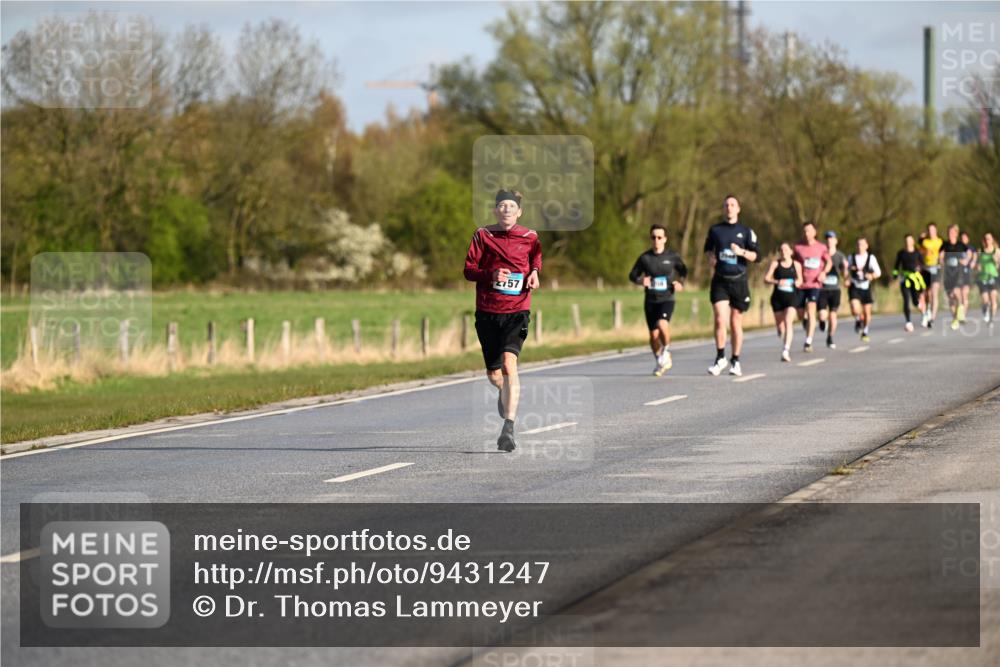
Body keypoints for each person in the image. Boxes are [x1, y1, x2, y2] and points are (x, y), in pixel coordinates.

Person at [463, 189, 541, 452]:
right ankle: (502, 391)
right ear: (495, 210)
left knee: (510, 364)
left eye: (511, 206)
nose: (506, 209)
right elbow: (469, 270)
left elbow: (536, 259)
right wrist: (492, 275)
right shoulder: (483, 235)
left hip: (517, 311)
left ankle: (508, 427)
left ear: (519, 212)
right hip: (487, 312)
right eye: (501, 205)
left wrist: (534, 273)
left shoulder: (530, 237)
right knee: (494, 373)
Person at [704, 194, 759, 377]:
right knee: (720, 318)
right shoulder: (715, 230)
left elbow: (756, 256)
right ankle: (720, 357)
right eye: (726, 205)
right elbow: (708, 250)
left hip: (739, 281)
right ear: (723, 208)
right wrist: (710, 258)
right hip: (720, 280)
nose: (729, 207)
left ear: (738, 209)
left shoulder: (746, 231)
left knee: (735, 322)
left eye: (733, 204)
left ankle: (735, 360)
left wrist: (741, 251)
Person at [629, 224, 687, 376]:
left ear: (665, 239)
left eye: (659, 237)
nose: (656, 240)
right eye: (653, 237)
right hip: (650, 300)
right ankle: (659, 360)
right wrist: (641, 281)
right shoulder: (645, 258)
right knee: (653, 336)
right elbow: (632, 275)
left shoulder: (672, 257)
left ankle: (666, 351)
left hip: (667, 298)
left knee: (662, 324)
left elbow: (684, 271)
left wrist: (680, 283)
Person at [793, 221, 832, 352]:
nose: (806, 233)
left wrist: (824, 273)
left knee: (811, 309)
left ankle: (808, 341)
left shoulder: (821, 247)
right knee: (800, 314)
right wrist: (797, 276)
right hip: (801, 284)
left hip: (815, 284)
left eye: (809, 230)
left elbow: (829, 262)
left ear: (814, 232)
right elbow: (795, 263)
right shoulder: (798, 247)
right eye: (804, 231)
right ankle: (806, 322)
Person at [764, 242, 803, 362]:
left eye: (786, 250)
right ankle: (781, 332)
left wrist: (798, 282)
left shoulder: (796, 265)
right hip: (777, 299)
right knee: (781, 328)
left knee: (788, 322)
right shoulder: (776, 264)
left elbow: (800, 279)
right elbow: (766, 279)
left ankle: (786, 350)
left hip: (792, 298)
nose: (783, 252)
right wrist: (777, 282)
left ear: (791, 252)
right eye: (781, 250)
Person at [846, 236, 882, 343]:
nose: (859, 247)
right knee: (854, 307)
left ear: (866, 246)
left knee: (867, 312)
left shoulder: (871, 258)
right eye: (858, 244)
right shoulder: (851, 257)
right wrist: (847, 279)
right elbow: (847, 271)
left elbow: (878, 272)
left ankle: (865, 331)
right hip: (855, 285)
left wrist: (871, 276)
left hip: (866, 286)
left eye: (862, 244)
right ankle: (858, 319)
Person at [817, 230, 848, 349]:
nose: (829, 241)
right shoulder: (821, 254)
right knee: (822, 314)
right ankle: (822, 322)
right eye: (827, 239)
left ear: (836, 241)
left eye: (831, 238)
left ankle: (830, 337)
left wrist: (845, 268)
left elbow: (845, 275)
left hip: (835, 289)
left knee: (833, 315)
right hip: (822, 289)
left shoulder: (840, 256)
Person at [940, 224, 972, 330]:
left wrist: (966, 261)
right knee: (951, 299)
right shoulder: (945, 244)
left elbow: (970, 253)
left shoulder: (960, 244)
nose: (950, 234)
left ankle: (960, 310)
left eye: (952, 232)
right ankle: (955, 318)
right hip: (948, 274)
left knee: (956, 293)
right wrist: (940, 261)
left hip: (958, 273)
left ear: (956, 233)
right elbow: (940, 255)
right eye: (949, 232)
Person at [893, 234, 927, 332]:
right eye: (906, 241)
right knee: (906, 300)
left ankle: (924, 313)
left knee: (915, 301)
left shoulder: (917, 253)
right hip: (905, 279)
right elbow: (896, 266)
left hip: (915, 280)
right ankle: (908, 321)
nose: (908, 242)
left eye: (910, 240)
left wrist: (920, 269)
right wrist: (895, 274)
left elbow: (923, 265)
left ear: (913, 242)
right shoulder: (901, 253)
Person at [918, 223, 944, 327]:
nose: (931, 232)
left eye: (933, 230)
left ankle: (932, 318)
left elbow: (943, 253)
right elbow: (918, 251)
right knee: (926, 294)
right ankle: (927, 310)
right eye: (929, 230)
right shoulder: (924, 242)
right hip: (926, 269)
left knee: (934, 293)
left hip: (936, 268)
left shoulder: (940, 242)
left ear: (936, 230)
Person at [976, 232, 999, 326]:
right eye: (985, 239)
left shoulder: (996, 250)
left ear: (992, 240)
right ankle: (985, 310)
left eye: (989, 238)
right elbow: (976, 263)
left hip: (993, 276)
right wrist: (977, 266)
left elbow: (998, 263)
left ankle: (992, 319)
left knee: (993, 299)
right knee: (985, 300)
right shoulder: (980, 251)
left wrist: (996, 260)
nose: (987, 240)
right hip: (983, 277)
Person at [961, 231, 975, 318]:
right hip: (958, 275)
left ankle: (963, 315)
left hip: (967, 274)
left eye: (965, 238)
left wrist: (972, 262)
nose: (963, 240)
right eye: (962, 238)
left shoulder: (971, 248)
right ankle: (960, 313)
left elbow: (974, 257)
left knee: (964, 294)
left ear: (968, 239)